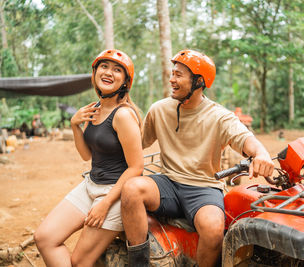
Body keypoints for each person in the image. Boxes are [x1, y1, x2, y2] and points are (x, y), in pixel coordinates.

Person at [121, 49, 274, 267]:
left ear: (199, 81)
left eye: (179, 75)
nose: (172, 80)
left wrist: (261, 153)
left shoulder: (219, 116)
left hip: (204, 187)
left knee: (213, 230)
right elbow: (138, 143)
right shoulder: (159, 109)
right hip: (168, 183)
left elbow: (244, 138)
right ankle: (138, 264)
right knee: (131, 189)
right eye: (172, 74)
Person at [34, 49, 143, 267]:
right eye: (104, 67)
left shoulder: (123, 115)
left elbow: (136, 167)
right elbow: (86, 155)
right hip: (90, 185)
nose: (109, 72)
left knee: (79, 262)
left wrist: (106, 204)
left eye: (117, 69)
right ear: (94, 73)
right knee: (44, 238)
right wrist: (75, 125)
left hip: (115, 193)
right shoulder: (94, 109)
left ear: (125, 81)